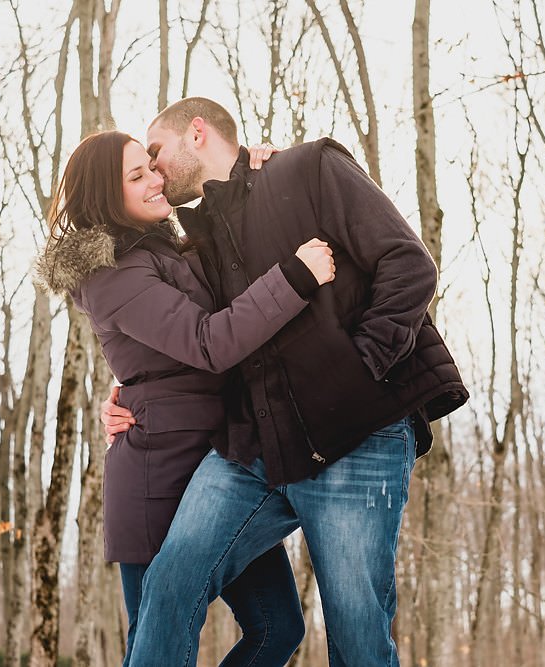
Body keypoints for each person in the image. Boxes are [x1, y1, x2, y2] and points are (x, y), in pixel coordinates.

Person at [101, 98, 470, 667]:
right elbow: (189, 334)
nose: (153, 171)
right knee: (171, 583)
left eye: (155, 154)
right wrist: (127, 394)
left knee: (357, 638)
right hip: (253, 449)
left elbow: (409, 264)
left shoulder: (311, 168)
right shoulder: (195, 236)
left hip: (358, 439)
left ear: (196, 132)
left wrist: (361, 370)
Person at [35, 130, 337, 666]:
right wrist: (295, 277)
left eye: (151, 166)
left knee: (278, 628)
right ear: (107, 195)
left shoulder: (162, 244)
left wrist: (249, 168)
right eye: (136, 176)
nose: (156, 179)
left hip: (224, 461)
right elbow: (207, 341)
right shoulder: (109, 274)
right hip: (162, 476)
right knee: (159, 643)